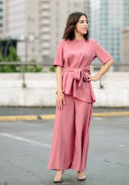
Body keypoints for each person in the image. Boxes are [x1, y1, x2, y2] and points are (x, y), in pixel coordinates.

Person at [47, 12, 114, 183]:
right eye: (82, 22)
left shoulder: (92, 44)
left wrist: (98, 76)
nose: (86, 24)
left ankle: (80, 168)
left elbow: (108, 60)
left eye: (87, 21)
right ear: (73, 24)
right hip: (66, 90)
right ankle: (59, 170)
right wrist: (59, 91)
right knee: (62, 131)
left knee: (82, 131)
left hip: (84, 89)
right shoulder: (63, 44)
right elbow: (59, 68)